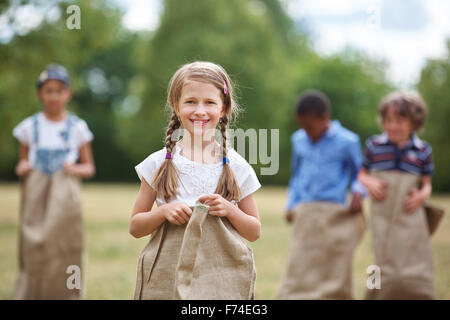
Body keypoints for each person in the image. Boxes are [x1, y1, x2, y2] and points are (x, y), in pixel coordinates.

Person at [129, 61, 261, 300]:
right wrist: (163, 212)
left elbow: (254, 231)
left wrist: (230, 210)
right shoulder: (158, 163)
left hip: (221, 276)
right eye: (190, 101)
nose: (200, 110)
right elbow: (136, 227)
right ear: (176, 107)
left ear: (224, 108)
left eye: (209, 102)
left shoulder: (237, 167)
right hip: (168, 273)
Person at [12, 63, 95, 299]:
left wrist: (74, 168)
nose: (54, 96)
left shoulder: (77, 128)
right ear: (40, 93)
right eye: (48, 90)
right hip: (36, 192)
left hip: (64, 193)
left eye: (59, 90)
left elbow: (89, 167)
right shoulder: (29, 127)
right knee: (33, 243)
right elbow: (22, 162)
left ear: (68, 93)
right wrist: (24, 167)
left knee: (64, 243)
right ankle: (31, 292)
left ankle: (65, 293)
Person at [277, 90, 366, 299]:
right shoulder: (298, 140)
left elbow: (361, 173)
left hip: (335, 211)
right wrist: (291, 203)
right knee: (301, 259)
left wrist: (358, 193)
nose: (307, 132)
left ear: (325, 118)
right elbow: (296, 174)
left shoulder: (348, 141)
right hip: (306, 210)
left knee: (333, 261)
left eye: (310, 126)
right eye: (302, 127)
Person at [358, 91, 436, 299]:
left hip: (409, 216)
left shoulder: (422, 151)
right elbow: (361, 174)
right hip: (381, 214)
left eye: (399, 120)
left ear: (415, 122)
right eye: (388, 120)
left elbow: (427, 185)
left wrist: (421, 196)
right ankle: (373, 294)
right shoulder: (374, 146)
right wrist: (369, 182)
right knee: (380, 258)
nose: (392, 126)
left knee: (411, 259)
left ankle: (417, 293)